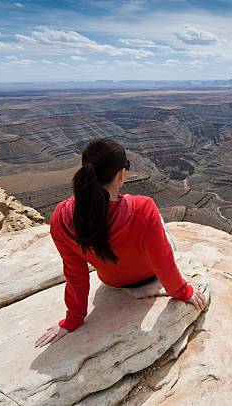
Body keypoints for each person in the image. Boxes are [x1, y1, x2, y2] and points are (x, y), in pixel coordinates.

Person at [35, 138, 206, 348]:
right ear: (121, 174)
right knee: (158, 222)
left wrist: (73, 319)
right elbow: (162, 260)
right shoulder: (143, 207)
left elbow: (75, 273)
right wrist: (183, 291)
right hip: (150, 275)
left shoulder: (60, 218)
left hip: (113, 282)